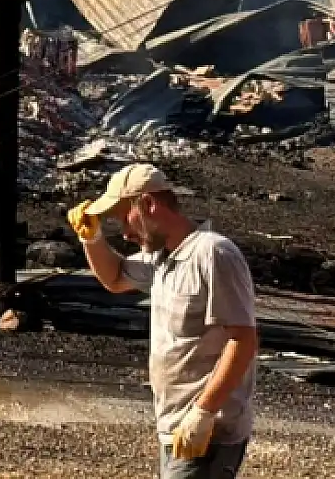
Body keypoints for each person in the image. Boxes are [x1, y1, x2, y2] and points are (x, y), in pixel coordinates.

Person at [68, 165, 259, 479]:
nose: (125, 234)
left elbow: (243, 340)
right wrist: (92, 239)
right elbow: (115, 278)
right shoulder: (162, 258)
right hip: (177, 424)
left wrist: (203, 412)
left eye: (124, 218)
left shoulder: (212, 254)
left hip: (209, 431)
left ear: (148, 204)